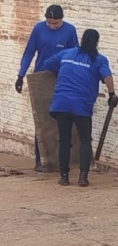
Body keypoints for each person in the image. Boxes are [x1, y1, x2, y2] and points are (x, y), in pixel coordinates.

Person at [44, 29, 117, 187]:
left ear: (82, 39)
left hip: (61, 104)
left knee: (64, 140)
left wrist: (65, 70)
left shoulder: (67, 54)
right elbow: (108, 77)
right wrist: (112, 95)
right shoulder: (99, 60)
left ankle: (64, 177)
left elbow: (48, 64)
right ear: (96, 42)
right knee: (85, 140)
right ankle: (83, 177)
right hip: (82, 107)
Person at [15, 4, 79, 172]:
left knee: (62, 119)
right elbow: (29, 52)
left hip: (61, 78)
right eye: (49, 23)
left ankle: (63, 160)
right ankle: (40, 159)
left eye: (56, 23)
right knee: (42, 119)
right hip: (41, 78)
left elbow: (74, 54)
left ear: (62, 20)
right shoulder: (38, 29)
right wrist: (21, 75)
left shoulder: (70, 31)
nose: (52, 26)